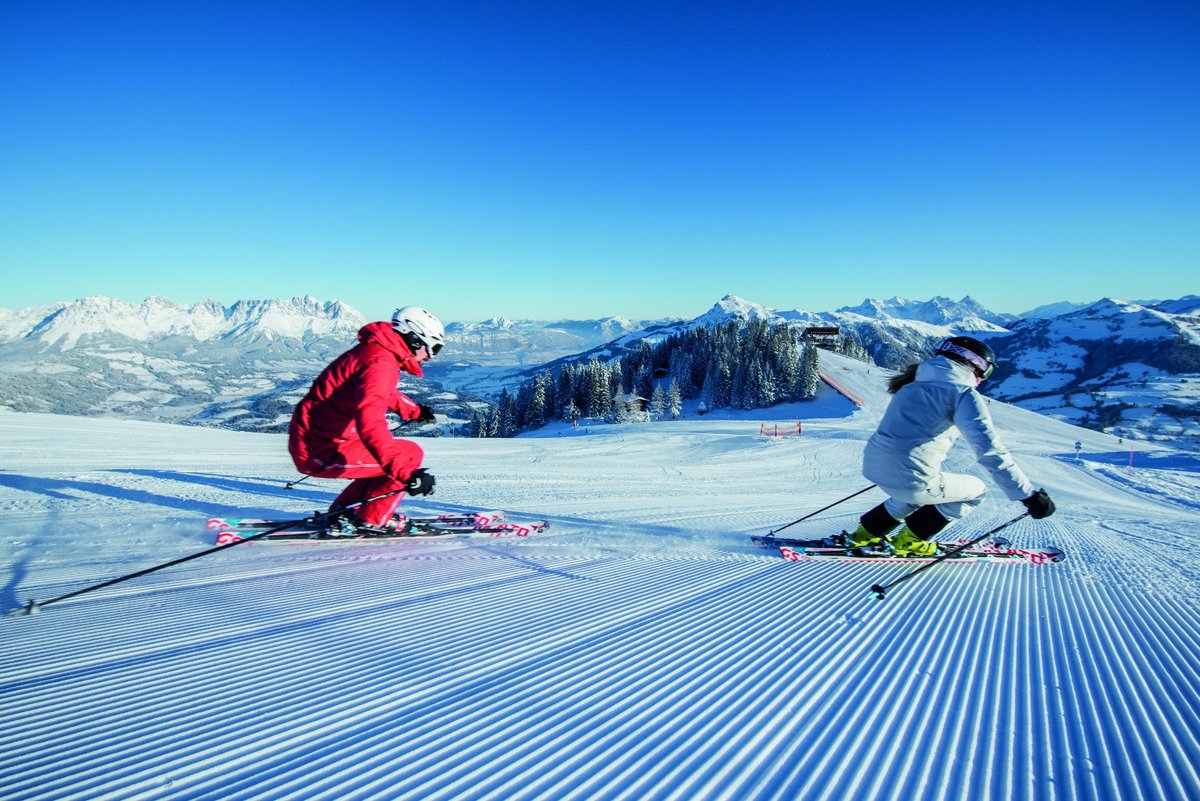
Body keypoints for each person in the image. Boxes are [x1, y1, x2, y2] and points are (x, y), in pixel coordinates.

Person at [846, 336, 1056, 556]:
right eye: (987, 372)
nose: (984, 379)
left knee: (921, 489)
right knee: (975, 491)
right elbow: (990, 452)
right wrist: (1029, 496)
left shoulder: (910, 387)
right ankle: (911, 540)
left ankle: (866, 533)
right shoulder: (963, 394)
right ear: (976, 366)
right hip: (908, 478)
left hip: (874, 467)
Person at [288, 306, 446, 535]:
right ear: (414, 338)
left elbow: (378, 392)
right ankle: (372, 519)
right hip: (322, 450)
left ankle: (344, 513)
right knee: (408, 456)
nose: (430, 356)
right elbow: (370, 421)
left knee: (398, 456)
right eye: (433, 348)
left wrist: (414, 411)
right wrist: (405, 472)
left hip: (315, 440)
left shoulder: (373, 352)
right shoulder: (381, 363)